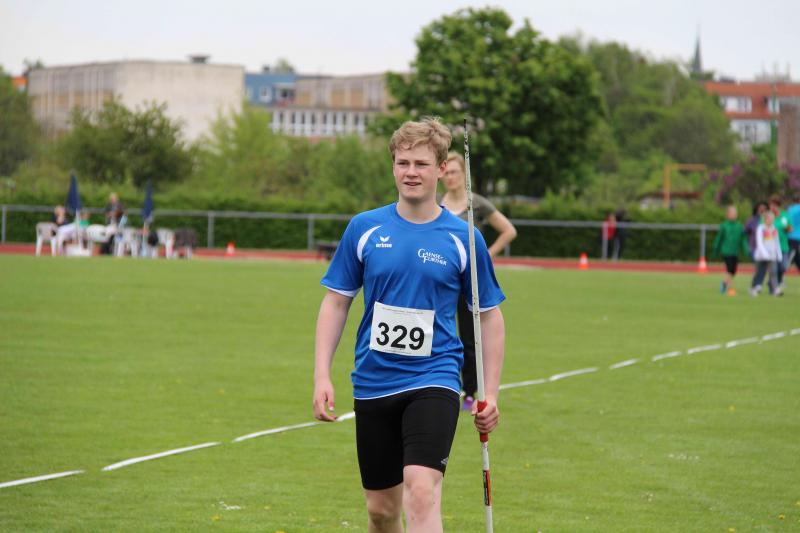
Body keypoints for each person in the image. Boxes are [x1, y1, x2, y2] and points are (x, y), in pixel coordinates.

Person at [313, 118, 506, 533]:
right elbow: (336, 302)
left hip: (434, 377)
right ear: (393, 167)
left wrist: (490, 393)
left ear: (441, 169)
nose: (411, 172)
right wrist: (321, 375)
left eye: (421, 163)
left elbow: (489, 316)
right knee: (382, 511)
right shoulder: (364, 228)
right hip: (374, 381)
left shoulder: (464, 237)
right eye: (403, 163)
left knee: (421, 491)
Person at [439, 151, 516, 411]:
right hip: (439, 278)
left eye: (455, 172)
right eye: (447, 172)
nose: (450, 177)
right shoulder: (436, 203)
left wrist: (486, 255)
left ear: (464, 174)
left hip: (468, 280)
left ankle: (470, 391)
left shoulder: (477, 204)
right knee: (437, 331)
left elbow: (509, 230)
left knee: (470, 337)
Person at [711, 205, 749, 296]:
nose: (734, 215)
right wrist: (715, 250)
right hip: (726, 251)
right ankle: (729, 288)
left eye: (735, 213)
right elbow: (719, 238)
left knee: (733, 271)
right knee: (729, 269)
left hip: (735, 251)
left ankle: (724, 283)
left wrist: (746, 250)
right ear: (727, 215)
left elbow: (743, 239)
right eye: (732, 213)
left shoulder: (739, 226)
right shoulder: (724, 225)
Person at [750, 210, 782, 297]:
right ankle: (755, 287)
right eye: (770, 218)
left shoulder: (774, 229)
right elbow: (759, 242)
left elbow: (776, 242)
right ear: (765, 219)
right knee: (760, 272)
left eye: (773, 219)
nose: (771, 220)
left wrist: (778, 254)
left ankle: (775, 289)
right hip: (761, 256)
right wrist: (765, 254)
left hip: (772, 255)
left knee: (773, 272)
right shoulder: (761, 228)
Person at [768, 196, 791, 290]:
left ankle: (777, 281)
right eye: (771, 205)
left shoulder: (784, 216)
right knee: (774, 268)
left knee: (783, 266)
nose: (773, 207)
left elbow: (790, 228)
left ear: (778, 206)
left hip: (783, 245)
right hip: (771, 247)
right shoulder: (767, 216)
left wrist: (787, 227)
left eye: (775, 205)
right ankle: (773, 285)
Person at [787, 196, 800, 273]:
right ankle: (782, 270)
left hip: (789, 235)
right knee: (793, 254)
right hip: (797, 235)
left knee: (796, 255)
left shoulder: (790, 209)